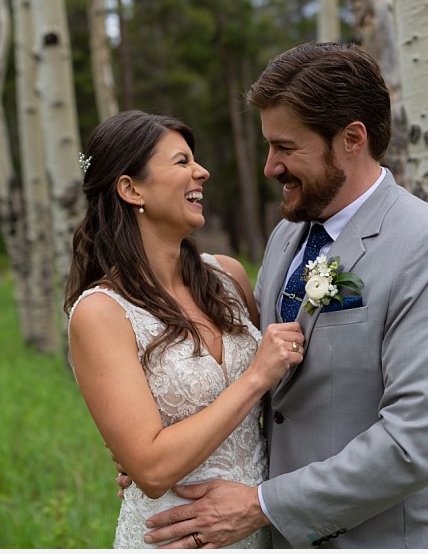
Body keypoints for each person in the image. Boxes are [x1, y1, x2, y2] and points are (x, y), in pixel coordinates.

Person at [139, 42, 428, 549]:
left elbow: (415, 443)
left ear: (351, 139)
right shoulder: (288, 237)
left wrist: (262, 505)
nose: (269, 167)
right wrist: (164, 448)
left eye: (286, 147)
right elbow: (263, 383)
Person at [64, 110, 306, 549]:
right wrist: (255, 378)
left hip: (257, 528)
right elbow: (153, 470)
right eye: (181, 162)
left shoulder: (228, 278)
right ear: (130, 188)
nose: (202, 171)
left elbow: (276, 410)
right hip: (173, 537)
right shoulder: (101, 313)